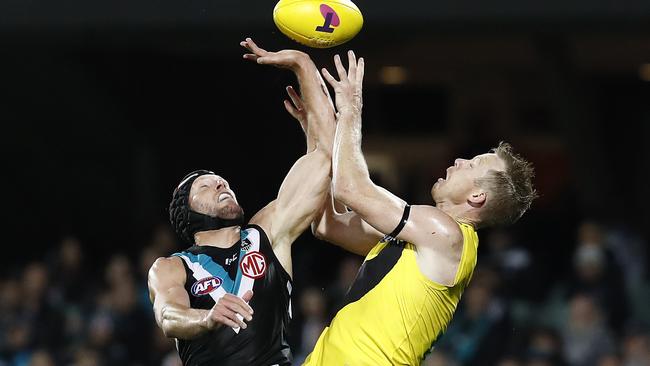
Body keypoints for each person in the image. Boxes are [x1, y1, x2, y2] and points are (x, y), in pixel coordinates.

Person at [304, 51, 537, 365]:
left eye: (472, 164)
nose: (458, 161)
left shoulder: (445, 232)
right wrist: (317, 135)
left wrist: (351, 110)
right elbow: (326, 225)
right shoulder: (419, 241)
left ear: (477, 197)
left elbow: (350, 188)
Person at [147, 38, 335, 366]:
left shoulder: (267, 232)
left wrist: (303, 64)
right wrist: (205, 318)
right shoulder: (173, 266)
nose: (221, 183)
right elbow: (168, 315)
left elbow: (325, 158)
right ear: (187, 212)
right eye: (205, 186)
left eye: (223, 181)